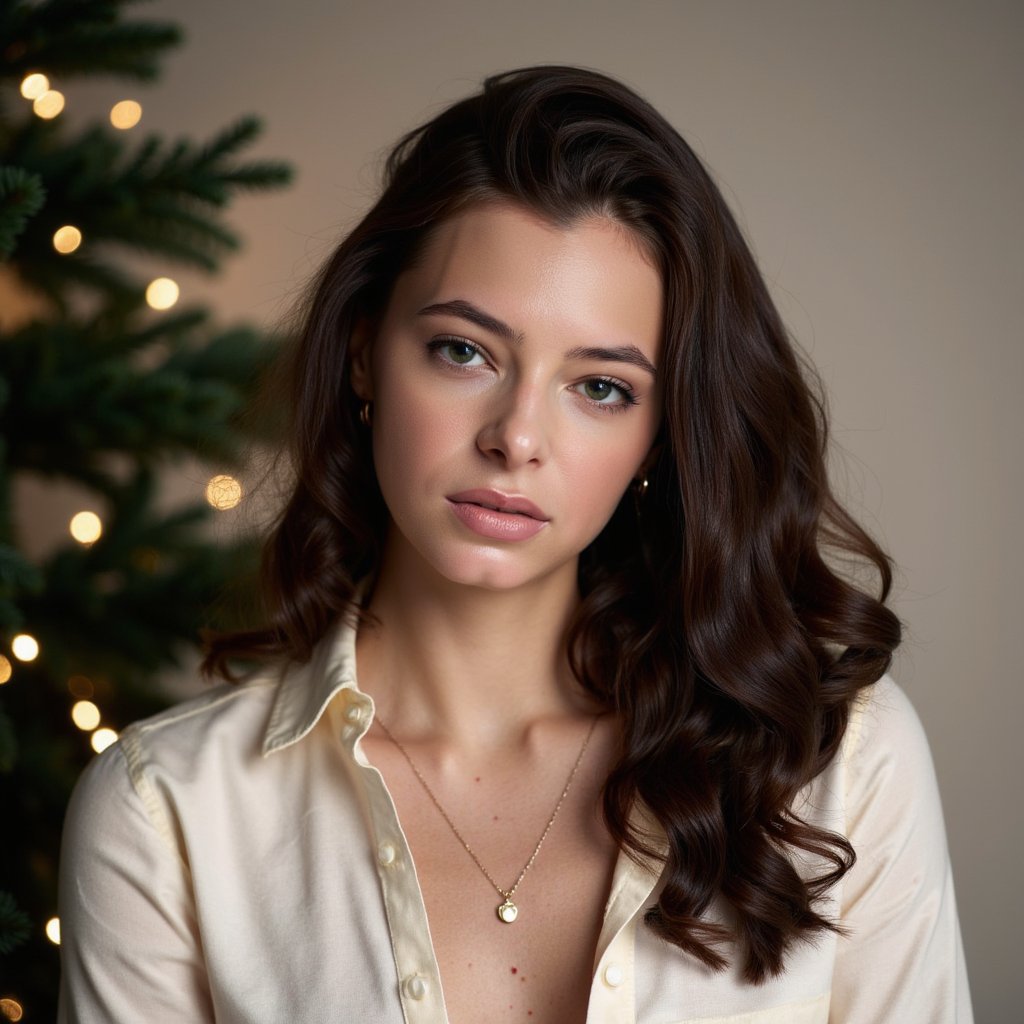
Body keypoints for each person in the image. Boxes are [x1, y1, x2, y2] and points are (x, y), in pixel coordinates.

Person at [57, 65, 972, 1023]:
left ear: (660, 433)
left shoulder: (834, 762)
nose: (517, 437)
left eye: (601, 388)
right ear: (365, 352)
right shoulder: (167, 812)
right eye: (464, 351)